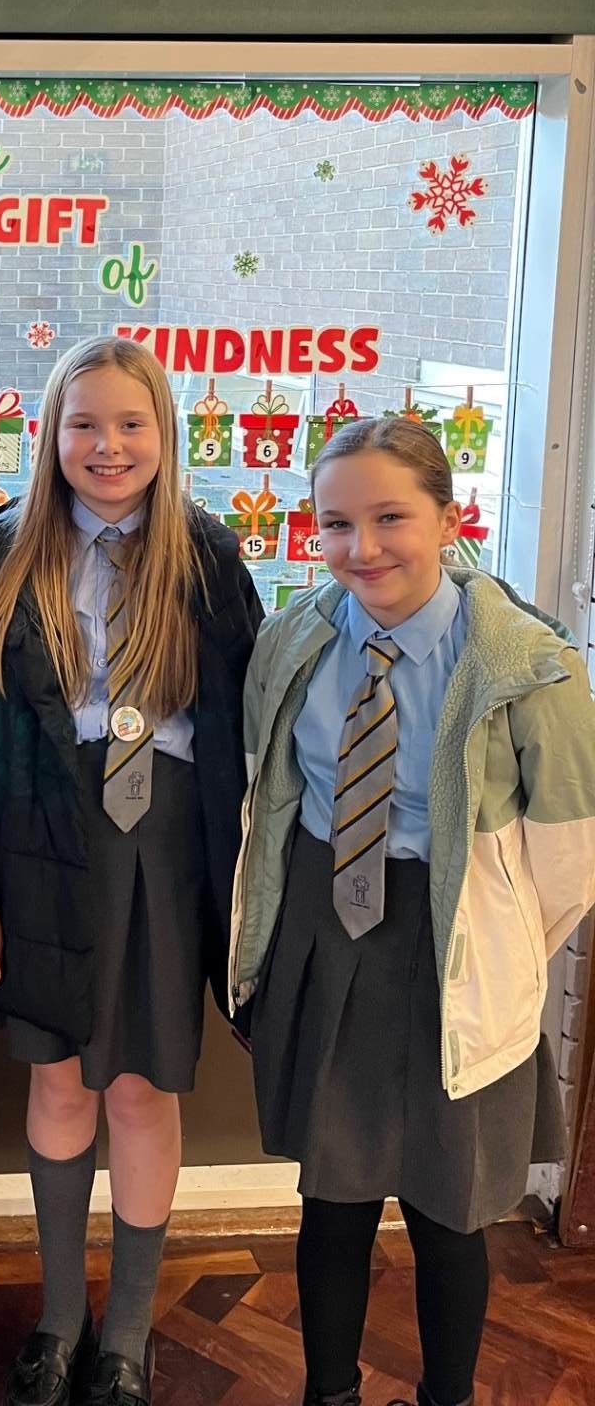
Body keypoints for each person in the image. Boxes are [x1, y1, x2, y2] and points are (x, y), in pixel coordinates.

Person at [0, 337, 262, 1406]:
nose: (107, 446)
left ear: (164, 433)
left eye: (130, 424)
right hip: (40, 840)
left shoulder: (207, 559)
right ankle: (60, 1320)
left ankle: (127, 1335)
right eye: (84, 424)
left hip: (165, 850)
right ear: (50, 435)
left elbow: (248, 731)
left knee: (143, 1090)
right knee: (62, 1080)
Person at [233, 415, 595, 1406]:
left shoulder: (531, 669)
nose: (363, 547)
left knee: (449, 1211)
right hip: (328, 939)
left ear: (449, 516)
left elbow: (569, 865)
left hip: (455, 946)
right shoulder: (293, 643)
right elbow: (268, 803)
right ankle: (330, 1392)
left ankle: (447, 1395)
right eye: (335, 523)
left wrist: (492, 942)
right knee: (332, 1200)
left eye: (391, 517)